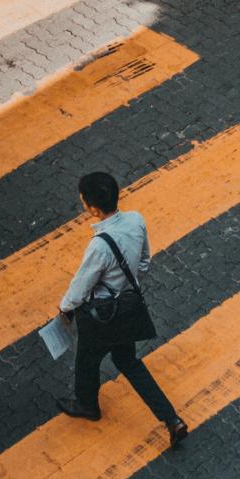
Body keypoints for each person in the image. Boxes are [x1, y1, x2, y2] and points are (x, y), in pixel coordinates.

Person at [57, 171, 188, 447]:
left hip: (102, 317)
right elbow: (143, 262)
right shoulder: (136, 220)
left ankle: (87, 405)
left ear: (93, 209)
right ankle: (171, 419)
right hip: (127, 310)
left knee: (87, 360)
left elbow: (81, 286)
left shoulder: (99, 246)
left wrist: (65, 307)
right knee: (128, 362)